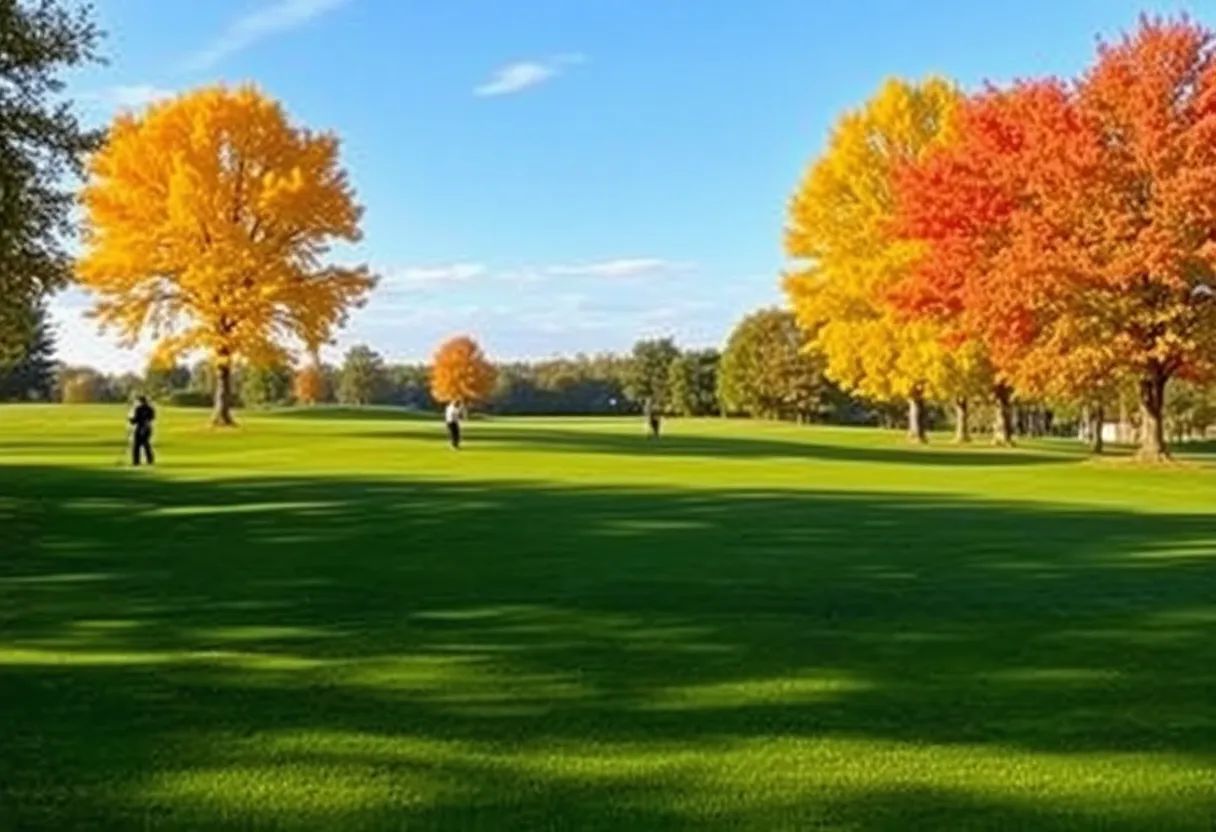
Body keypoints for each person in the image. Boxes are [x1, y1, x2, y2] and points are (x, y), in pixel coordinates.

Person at [129, 395, 156, 466]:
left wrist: (131, 420)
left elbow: (136, 419)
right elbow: (152, 418)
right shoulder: (150, 409)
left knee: (137, 445)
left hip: (141, 427)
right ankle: (150, 460)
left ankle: (136, 461)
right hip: (148, 428)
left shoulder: (139, 408)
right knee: (146, 444)